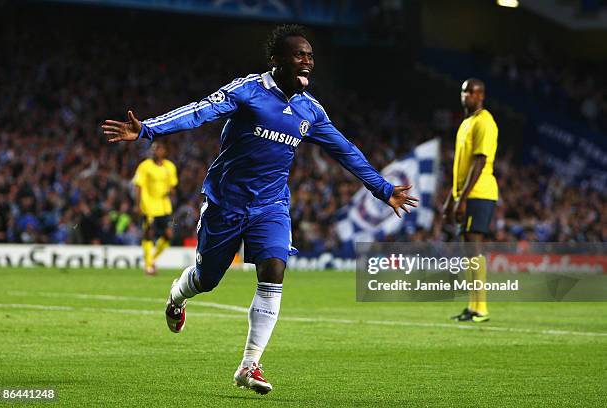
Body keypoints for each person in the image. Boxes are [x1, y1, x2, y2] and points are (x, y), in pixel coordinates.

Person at [102, 24, 418, 394]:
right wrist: (147, 130)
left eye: (311, 56)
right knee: (208, 279)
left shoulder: (310, 110)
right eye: (299, 55)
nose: (307, 61)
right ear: (276, 60)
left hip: (271, 205)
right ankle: (177, 295)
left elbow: (345, 150)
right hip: (226, 202)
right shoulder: (248, 90)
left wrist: (383, 190)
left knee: (274, 270)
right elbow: (200, 112)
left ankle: (250, 364)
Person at [442, 78, 498, 323]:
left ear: (481, 95)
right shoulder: (466, 123)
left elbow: (480, 161)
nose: (466, 96)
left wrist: (462, 199)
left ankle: (481, 308)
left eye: (471, 92)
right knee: (468, 249)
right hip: (465, 194)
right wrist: (450, 199)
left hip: (479, 193)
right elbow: (460, 168)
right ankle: (473, 306)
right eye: (464, 91)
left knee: (474, 247)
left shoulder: (485, 122)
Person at [132, 141, 178, 275]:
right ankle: (148, 266)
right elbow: (138, 186)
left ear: (164, 151)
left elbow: (172, 186)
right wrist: (137, 205)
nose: (155, 151)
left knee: (169, 235)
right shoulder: (145, 166)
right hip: (148, 206)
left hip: (164, 206)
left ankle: (152, 259)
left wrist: (171, 191)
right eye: (153, 149)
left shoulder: (170, 167)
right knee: (149, 234)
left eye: (158, 149)